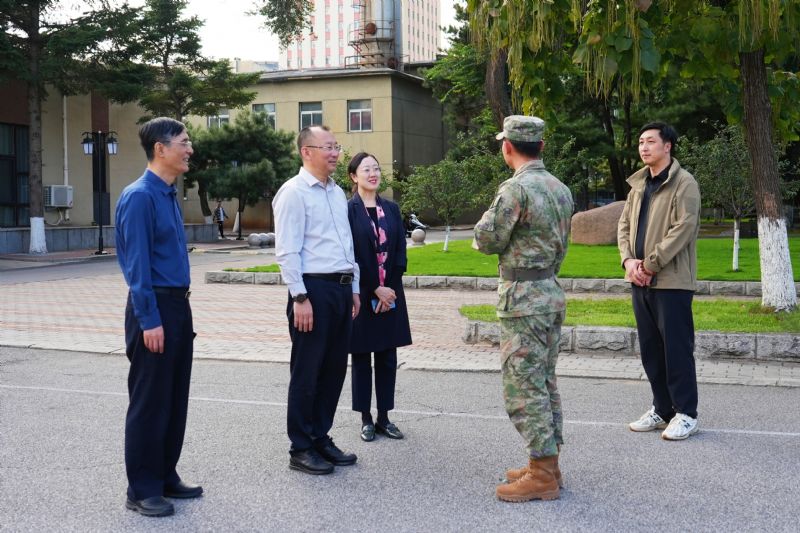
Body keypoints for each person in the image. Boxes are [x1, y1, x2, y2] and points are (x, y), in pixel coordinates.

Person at [473, 115, 573, 503]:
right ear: (541, 146)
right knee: (544, 381)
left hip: (523, 300)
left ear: (507, 147)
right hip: (549, 292)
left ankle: (542, 474)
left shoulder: (515, 189)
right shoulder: (560, 188)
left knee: (524, 386)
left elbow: (487, 238)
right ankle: (547, 463)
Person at [115, 117, 202, 517]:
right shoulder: (139, 197)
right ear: (160, 149)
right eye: (183, 142)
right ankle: (142, 488)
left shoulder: (167, 194)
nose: (189, 149)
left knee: (174, 397)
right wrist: (150, 319)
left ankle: (165, 474)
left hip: (177, 306)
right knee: (150, 401)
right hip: (154, 308)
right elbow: (137, 266)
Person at [272, 125, 361, 475]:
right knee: (307, 371)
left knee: (333, 370)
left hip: (340, 289)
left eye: (336, 146)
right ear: (306, 151)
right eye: (328, 147)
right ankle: (301, 446)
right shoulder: (293, 193)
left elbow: (346, 244)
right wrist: (299, 296)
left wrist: (354, 287)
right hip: (312, 291)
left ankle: (320, 436)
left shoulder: (337, 192)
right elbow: (287, 250)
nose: (335, 153)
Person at [618, 122, 701, 441]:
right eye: (641, 141)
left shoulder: (684, 183)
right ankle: (662, 409)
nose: (643, 147)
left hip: (672, 281)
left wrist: (650, 264)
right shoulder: (638, 185)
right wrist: (629, 261)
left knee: (677, 350)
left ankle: (686, 414)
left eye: (650, 141)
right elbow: (623, 227)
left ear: (668, 146)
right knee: (651, 350)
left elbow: (684, 228)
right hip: (639, 280)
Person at [346, 152, 412, 442]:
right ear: (354, 176)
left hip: (391, 293)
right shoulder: (348, 211)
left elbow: (400, 252)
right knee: (362, 357)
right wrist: (374, 287)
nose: (373, 173)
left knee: (387, 357)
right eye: (366, 169)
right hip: (361, 294)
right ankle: (366, 418)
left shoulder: (392, 209)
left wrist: (389, 290)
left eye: (376, 168)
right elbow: (351, 255)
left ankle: (384, 417)